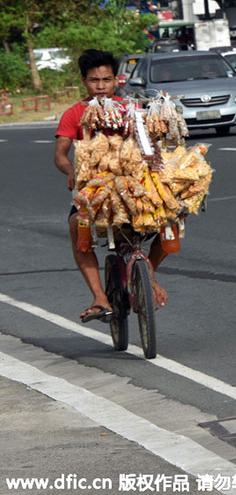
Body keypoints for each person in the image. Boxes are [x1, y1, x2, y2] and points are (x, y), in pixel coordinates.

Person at [54, 49, 170, 323]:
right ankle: (99, 297)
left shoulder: (131, 108)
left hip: (134, 185)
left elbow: (152, 142)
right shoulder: (74, 113)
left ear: (116, 80)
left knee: (171, 221)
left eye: (106, 79)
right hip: (93, 189)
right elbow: (60, 155)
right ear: (84, 81)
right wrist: (71, 170)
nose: (101, 86)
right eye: (94, 80)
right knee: (75, 226)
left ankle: (149, 274)